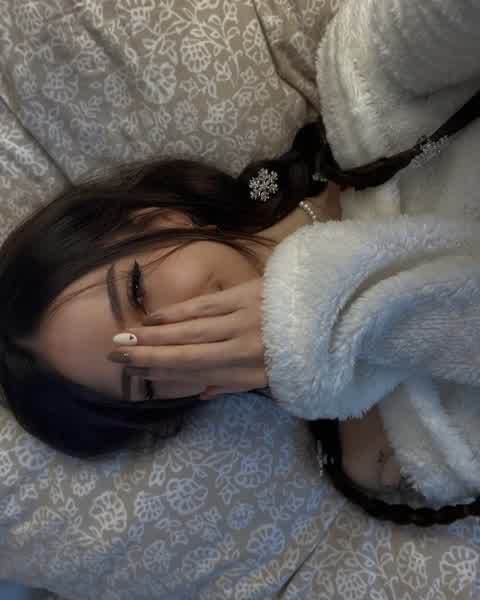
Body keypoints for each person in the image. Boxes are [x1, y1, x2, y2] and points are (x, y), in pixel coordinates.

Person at [103, 0, 480, 528]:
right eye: (149, 375)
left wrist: (315, 307)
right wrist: (320, 326)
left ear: (154, 220)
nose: (180, 334)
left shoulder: (366, 83)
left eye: (138, 291)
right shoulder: (387, 447)